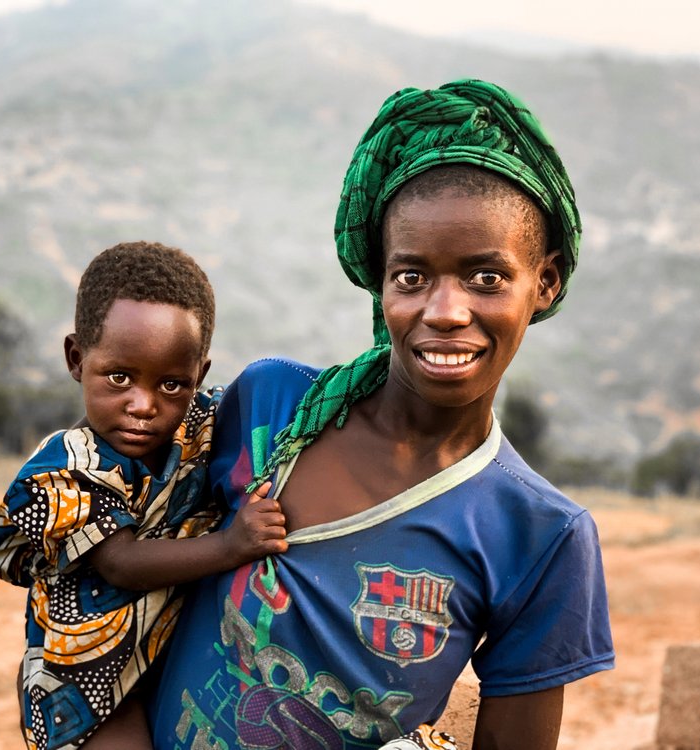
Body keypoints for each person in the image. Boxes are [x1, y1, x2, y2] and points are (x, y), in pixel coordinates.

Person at [146, 79, 615, 749]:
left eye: (487, 277)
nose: (445, 312)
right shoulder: (271, 409)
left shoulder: (540, 536)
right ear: (381, 282)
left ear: (545, 282)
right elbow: (119, 548)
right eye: (412, 277)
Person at [0, 241, 288, 750]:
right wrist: (233, 546)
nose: (144, 406)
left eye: (172, 384)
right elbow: (121, 563)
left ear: (199, 377)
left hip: (170, 653)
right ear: (77, 358)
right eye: (119, 378)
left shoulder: (198, 426)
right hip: (86, 689)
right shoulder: (60, 474)